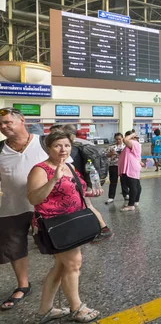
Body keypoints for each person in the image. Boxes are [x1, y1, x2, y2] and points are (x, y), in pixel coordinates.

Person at [26, 130, 101, 323]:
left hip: (72, 222)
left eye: (67, 145)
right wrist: (53, 180)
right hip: (56, 226)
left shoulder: (69, 166)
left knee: (61, 267)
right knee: (74, 264)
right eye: (58, 145)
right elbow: (34, 198)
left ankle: (44, 310)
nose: (63, 149)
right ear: (48, 148)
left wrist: (91, 195)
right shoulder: (40, 169)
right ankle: (77, 309)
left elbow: (75, 192)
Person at [0, 108, 49, 311]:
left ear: (22, 120)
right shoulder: (0, 150)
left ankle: (64, 279)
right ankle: (23, 285)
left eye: (7, 122)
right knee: (15, 248)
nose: (3, 127)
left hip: (46, 206)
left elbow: (66, 169)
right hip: (12, 208)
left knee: (58, 243)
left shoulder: (44, 143)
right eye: (1, 124)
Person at [49, 125, 113, 242]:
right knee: (84, 206)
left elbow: (71, 168)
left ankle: (104, 229)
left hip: (77, 183)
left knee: (88, 206)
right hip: (82, 180)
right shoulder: (81, 144)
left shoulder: (71, 150)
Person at [118, 131, 143, 212]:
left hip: (131, 168)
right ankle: (135, 201)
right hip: (133, 167)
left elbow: (125, 140)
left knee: (133, 186)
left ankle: (131, 205)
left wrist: (132, 135)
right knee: (136, 185)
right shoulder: (134, 144)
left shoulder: (134, 143)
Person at [105, 133, 128, 205]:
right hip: (113, 165)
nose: (118, 140)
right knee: (113, 182)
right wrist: (111, 154)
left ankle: (126, 194)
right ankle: (111, 197)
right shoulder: (111, 147)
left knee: (124, 181)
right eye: (116, 139)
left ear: (122, 138)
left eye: (119, 139)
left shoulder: (126, 146)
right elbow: (106, 155)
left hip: (123, 166)